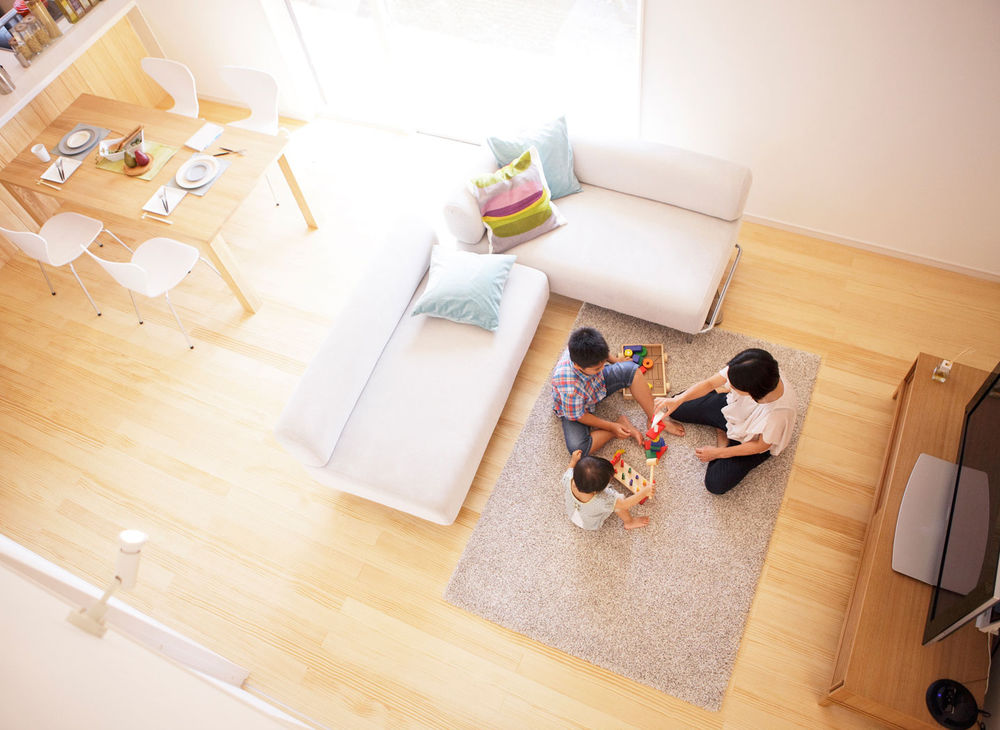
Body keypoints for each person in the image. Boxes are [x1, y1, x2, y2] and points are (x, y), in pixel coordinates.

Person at [653, 348, 797, 495]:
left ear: (751, 393)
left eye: (734, 386)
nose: (729, 384)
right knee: (676, 407)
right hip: (733, 409)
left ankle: (723, 436)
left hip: (751, 439)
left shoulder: (777, 415)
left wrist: (719, 452)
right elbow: (710, 383)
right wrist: (678, 400)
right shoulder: (753, 368)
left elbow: (760, 446)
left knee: (715, 483)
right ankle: (720, 420)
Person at [551, 326, 683, 456]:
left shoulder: (582, 346)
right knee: (578, 449)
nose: (603, 368)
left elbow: (603, 356)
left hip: (597, 386)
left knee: (633, 370)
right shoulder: (569, 388)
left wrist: (616, 361)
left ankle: (654, 418)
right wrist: (612, 427)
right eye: (597, 368)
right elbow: (580, 416)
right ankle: (621, 424)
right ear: (578, 366)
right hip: (577, 408)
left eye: (603, 363)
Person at [563, 450, 655, 530]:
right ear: (597, 491)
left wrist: (573, 461)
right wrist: (644, 492)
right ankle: (629, 522)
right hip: (590, 524)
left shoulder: (568, 477)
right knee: (618, 502)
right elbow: (624, 504)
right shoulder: (603, 499)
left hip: (573, 515)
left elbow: (570, 468)